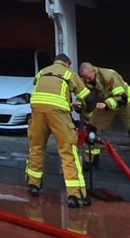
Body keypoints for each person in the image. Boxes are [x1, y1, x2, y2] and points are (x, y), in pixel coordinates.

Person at [25, 53, 96, 207]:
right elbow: (89, 99)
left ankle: (33, 185)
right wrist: (87, 114)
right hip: (58, 115)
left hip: (36, 111)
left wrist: (68, 104)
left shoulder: (42, 72)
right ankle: (76, 196)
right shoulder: (69, 74)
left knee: (36, 147)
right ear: (67, 64)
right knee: (68, 151)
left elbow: (46, 95)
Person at [78, 62, 130, 184]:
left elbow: (121, 98)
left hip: (125, 104)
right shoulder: (85, 81)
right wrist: (79, 106)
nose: (87, 80)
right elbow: (84, 98)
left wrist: (106, 104)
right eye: (84, 78)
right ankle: (90, 161)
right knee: (91, 131)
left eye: (89, 77)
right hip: (105, 106)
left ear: (94, 72)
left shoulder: (109, 75)